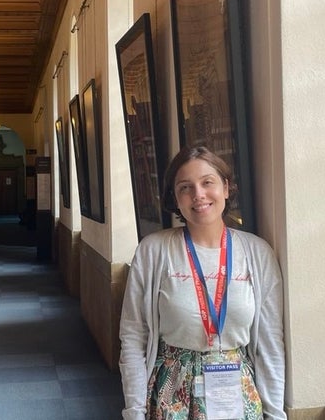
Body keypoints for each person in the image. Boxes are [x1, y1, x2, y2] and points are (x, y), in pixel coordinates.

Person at [119, 144, 286, 419]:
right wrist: (135, 412)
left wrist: (275, 414)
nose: (198, 195)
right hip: (172, 396)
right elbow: (134, 336)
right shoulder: (153, 251)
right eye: (185, 187)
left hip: (238, 395)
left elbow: (270, 344)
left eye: (208, 182)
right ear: (175, 197)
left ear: (226, 188)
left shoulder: (257, 253)